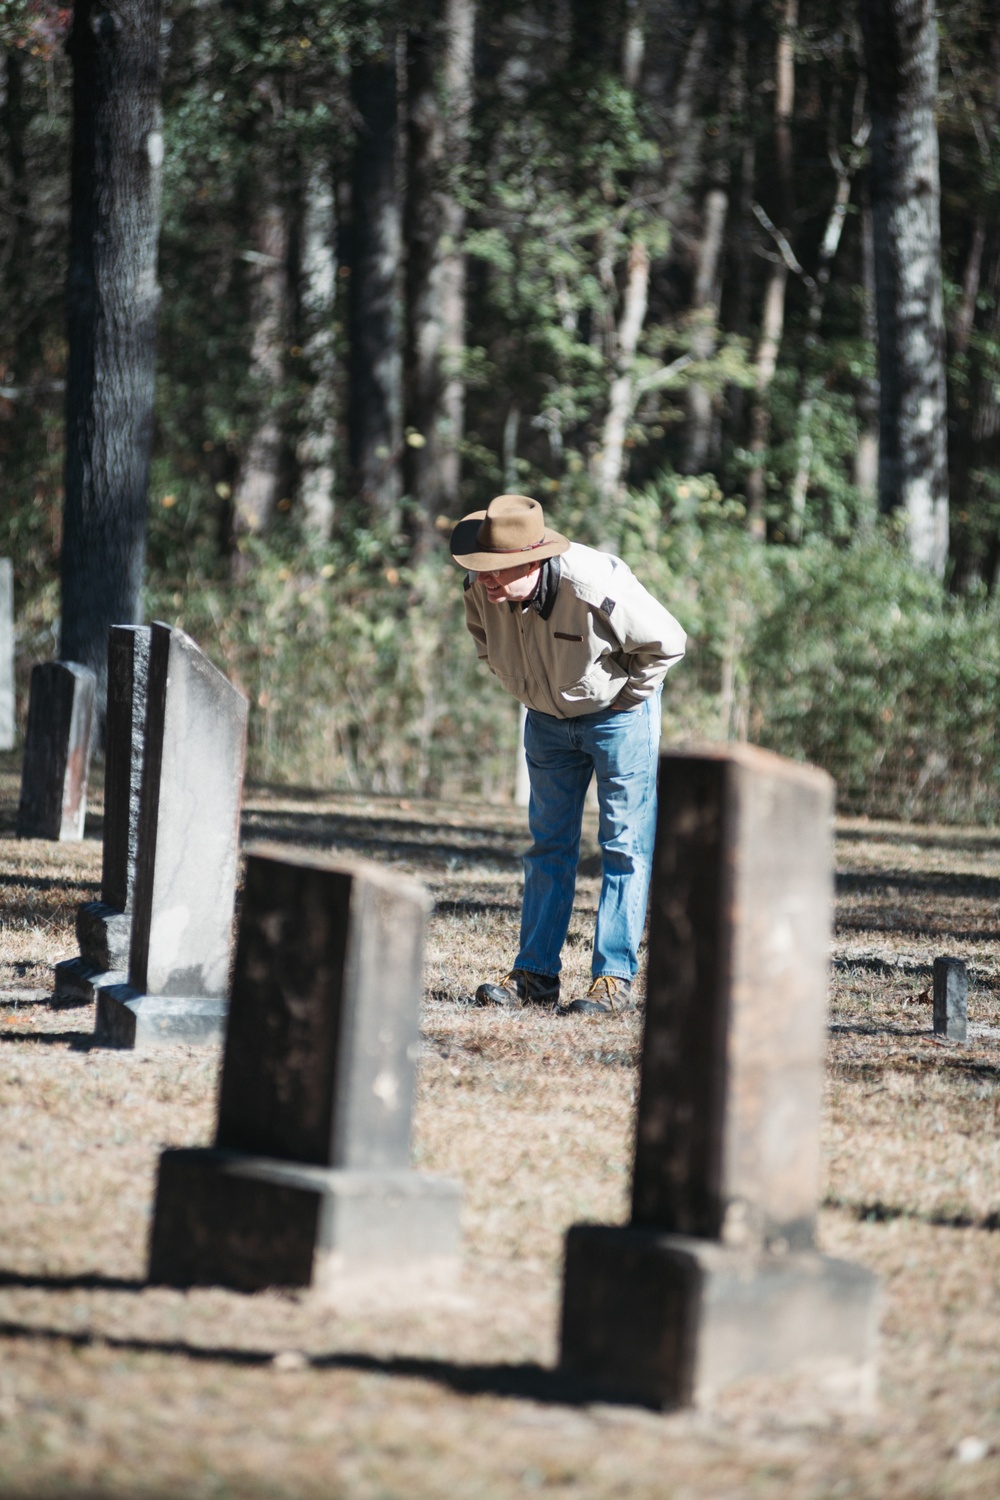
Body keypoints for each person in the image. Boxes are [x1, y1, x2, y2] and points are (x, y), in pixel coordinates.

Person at [450, 493, 686, 1016]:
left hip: (619, 719)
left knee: (623, 846)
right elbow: (483, 642)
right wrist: (527, 690)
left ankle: (613, 980)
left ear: (532, 562)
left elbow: (667, 641)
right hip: (546, 726)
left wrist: (624, 700)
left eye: (496, 571)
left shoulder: (592, 584)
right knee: (547, 849)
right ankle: (534, 975)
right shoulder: (480, 588)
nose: (483, 580)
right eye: (481, 569)